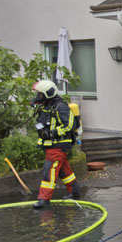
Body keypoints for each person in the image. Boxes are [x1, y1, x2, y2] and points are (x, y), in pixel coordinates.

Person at [30, 80, 81, 208]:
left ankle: (44, 199)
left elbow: (69, 125)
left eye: (40, 94)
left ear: (48, 93)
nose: (38, 97)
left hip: (58, 145)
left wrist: (52, 133)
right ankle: (74, 192)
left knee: (50, 170)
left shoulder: (60, 107)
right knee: (64, 170)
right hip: (51, 145)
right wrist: (36, 105)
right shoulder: (46, 106)